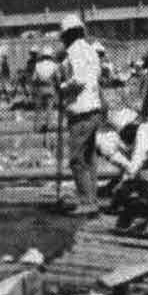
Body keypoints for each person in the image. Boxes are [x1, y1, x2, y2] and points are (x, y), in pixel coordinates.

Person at [56, 14, 105, 217]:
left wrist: (62, 86)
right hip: (93, 109)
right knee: (89, 157)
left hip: (81, 111)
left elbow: (79, 79)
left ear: (67, 34)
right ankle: (91, 197)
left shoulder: (75, 51)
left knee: (77, 159)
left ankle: (86, 200)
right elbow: (95, 77)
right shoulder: (91, 50)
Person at [32, 46, 59, 132]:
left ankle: (37, 127)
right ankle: (49, 126)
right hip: (50, 88)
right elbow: (58, 78)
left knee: (38, 109)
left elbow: (34, 78)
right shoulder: (54, 65)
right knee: (49, 109)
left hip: (40, 88)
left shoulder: (37, 65)